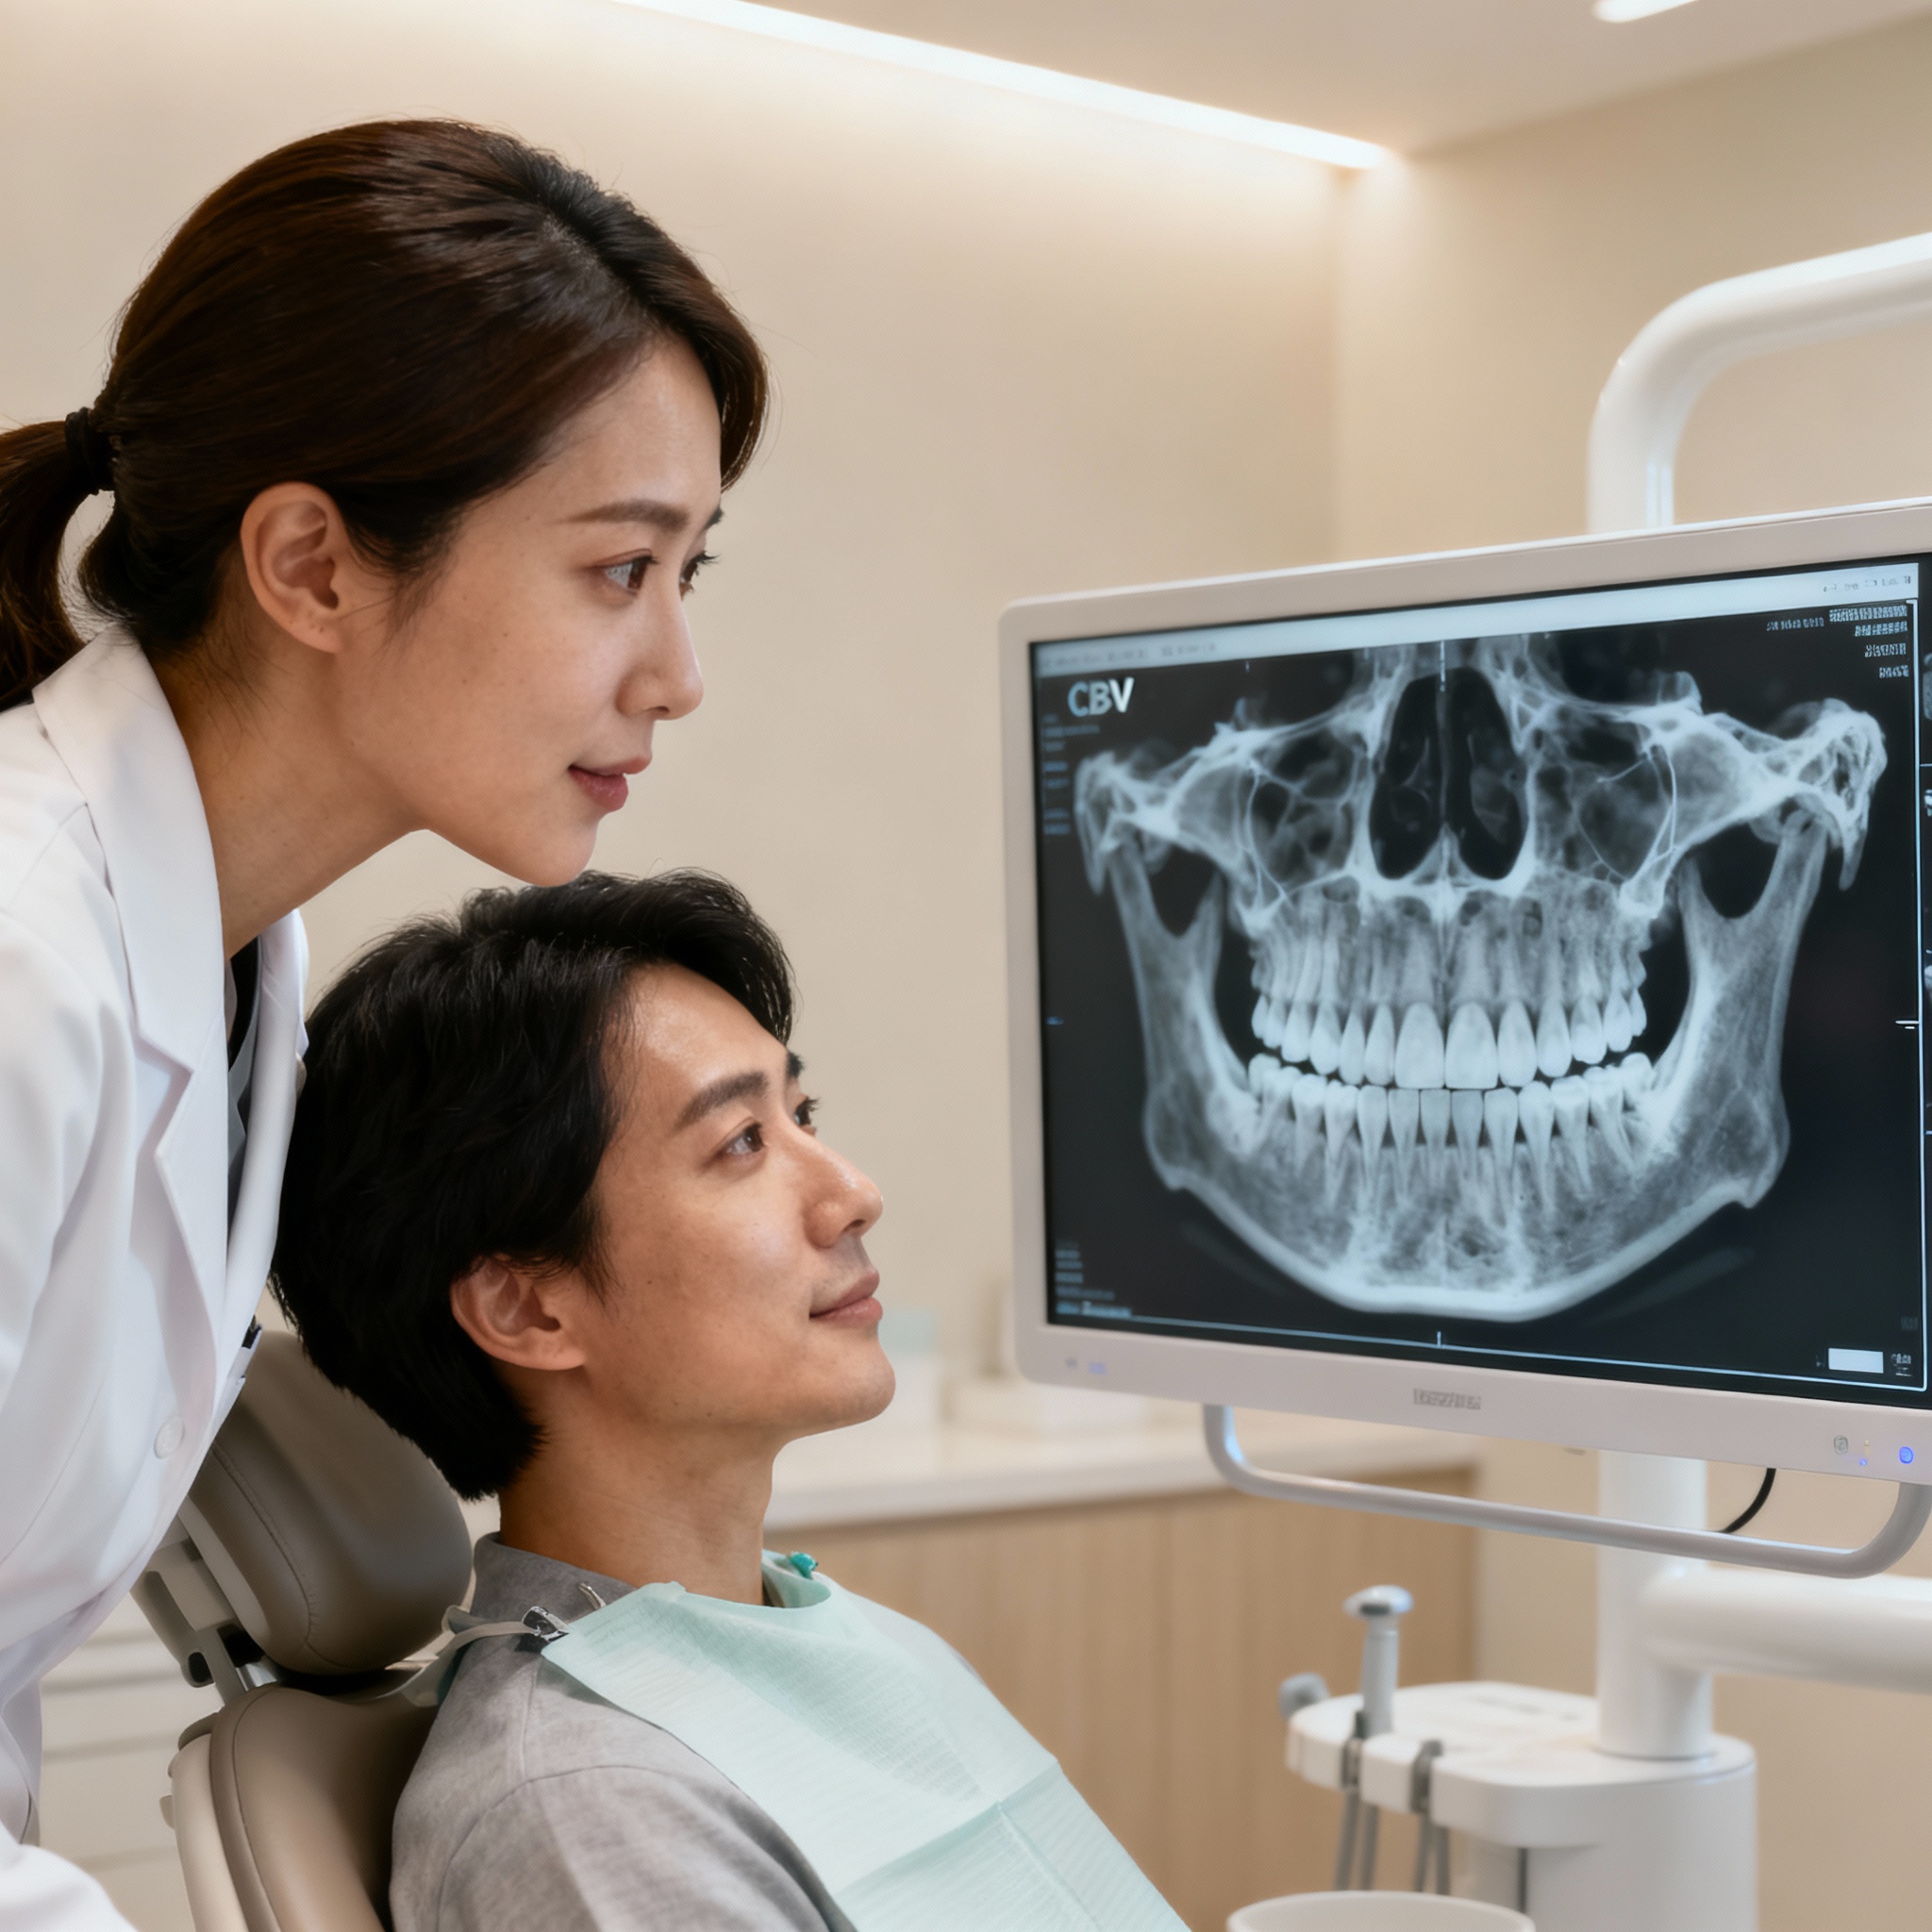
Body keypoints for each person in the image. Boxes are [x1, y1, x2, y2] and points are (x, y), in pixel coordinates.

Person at [0, 120, 766, 1924]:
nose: (673, 673)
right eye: (614, 570)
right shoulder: (20, 953)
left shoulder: (239, 952)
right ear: (313, 565)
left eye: (686, 574)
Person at [272, 871, 1185, 1932]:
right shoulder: (585, 1805)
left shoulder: (823, 1631)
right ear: (527, 1306)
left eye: (800, 1111)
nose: (852, 1190)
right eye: (740, 1141)